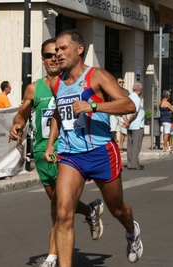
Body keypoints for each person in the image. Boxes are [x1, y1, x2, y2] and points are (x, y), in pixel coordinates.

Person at [44, 29, 143, 267]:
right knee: (63, 214)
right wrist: (51, 143)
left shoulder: (96, 76)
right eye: (56, 49)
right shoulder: (57, 82)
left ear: (79, 49)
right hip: (70, 155)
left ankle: (132, 231)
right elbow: (59, 112)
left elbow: (129, 105)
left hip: (100, 153)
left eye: (63, 48)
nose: (58, 53)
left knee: (117, 210)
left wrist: (93, 108)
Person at [9, 38, 104, 267]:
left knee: (59, 207)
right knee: (58, 202)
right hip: (43, 151)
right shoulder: (34, 88)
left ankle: (52, 258)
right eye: (48, 55)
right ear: (42, 59)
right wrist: (17, 125)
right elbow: (22, 113)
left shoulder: (72, 83)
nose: (53, 58)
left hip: (68, 150)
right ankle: (90, 210)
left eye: (56, 54)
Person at [122, 83, 145, 170]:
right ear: (139, 90)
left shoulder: (128, 97)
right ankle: (134, 164)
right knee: (136, 145)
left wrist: (125, 121)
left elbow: (123, 110)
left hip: (130, 125)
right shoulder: (136, 99)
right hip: (137, 125)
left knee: (130, 145)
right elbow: (134, 112)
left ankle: (130, 163)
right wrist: (128, 121)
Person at [110, 78, 129, 152]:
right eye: (120, 82)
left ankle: (120, 146)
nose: (121, 83)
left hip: (122, 113)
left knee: (123, 130)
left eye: (123, 82)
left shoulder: (126, 91)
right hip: (113, 113)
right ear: (116, 83)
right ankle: (115, 145)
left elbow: (128, 101)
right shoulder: (111, 90)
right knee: (113, 129)